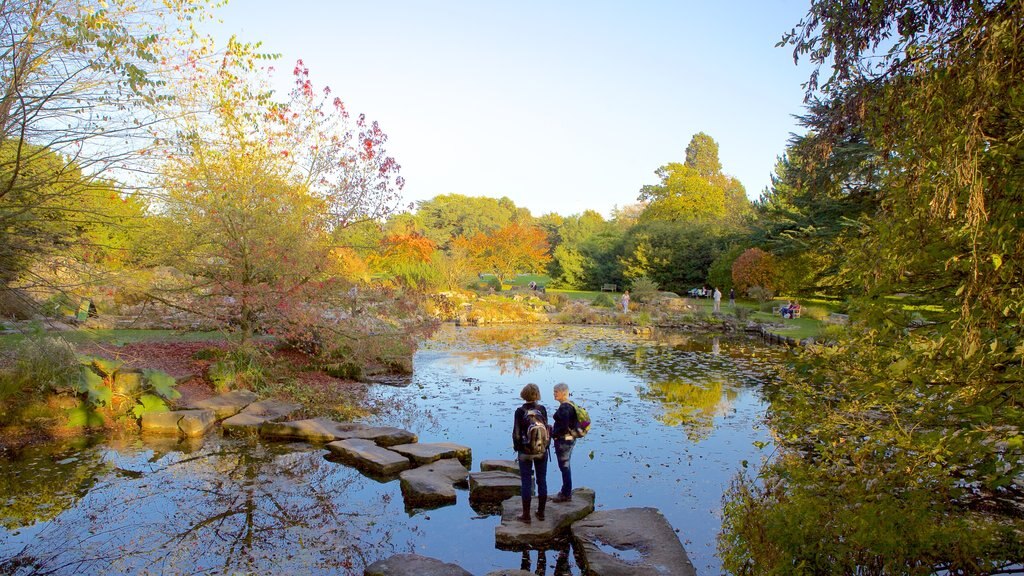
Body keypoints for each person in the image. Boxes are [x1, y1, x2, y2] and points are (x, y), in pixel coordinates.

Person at [512, 383, 548, 523]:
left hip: (525, 452)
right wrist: (545, 446)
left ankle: (526, 516)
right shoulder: (542, 409)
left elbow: (516, 434)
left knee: (526, 481)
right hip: (541, 451)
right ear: (537, 395)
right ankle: (541, 513)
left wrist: (517, 448)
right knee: (542, 480)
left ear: (523, 394)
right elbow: (547, 429)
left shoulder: (520, 411)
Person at [550, 383, 577, 502]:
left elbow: (565, 426)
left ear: (563, 393)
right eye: (554, 391)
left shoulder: (565, 408)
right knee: (565, 466)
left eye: (556, 391)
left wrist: (554, 435)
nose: (554, 394)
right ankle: (566, 491)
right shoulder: (571, 405)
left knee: (564, 466)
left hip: (564, 442)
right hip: (569, 440)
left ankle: (566, 493)